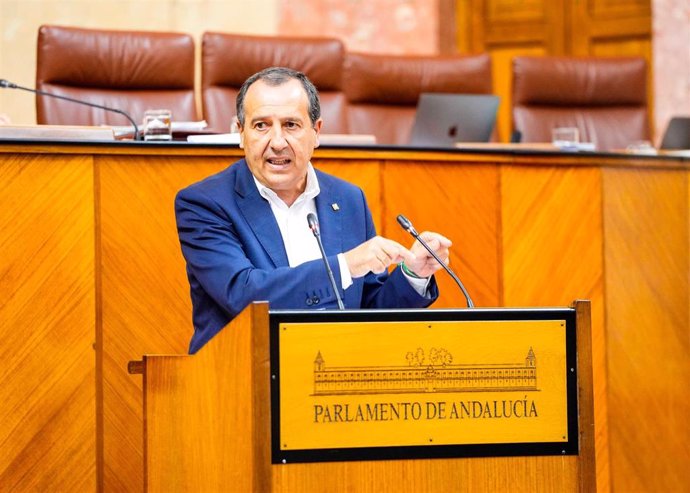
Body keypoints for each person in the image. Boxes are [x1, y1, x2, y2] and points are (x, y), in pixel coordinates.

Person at [175, 67, 453, 353]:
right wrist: (345, 265)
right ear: (241, 133)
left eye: (291, 125)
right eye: (261, 126)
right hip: (242, 377)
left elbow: (368, 309)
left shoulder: (347, 199)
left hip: (333, 377)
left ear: (316, 132)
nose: (278, 142)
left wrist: (413, 274)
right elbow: (244, 295)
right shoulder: (204, 203)